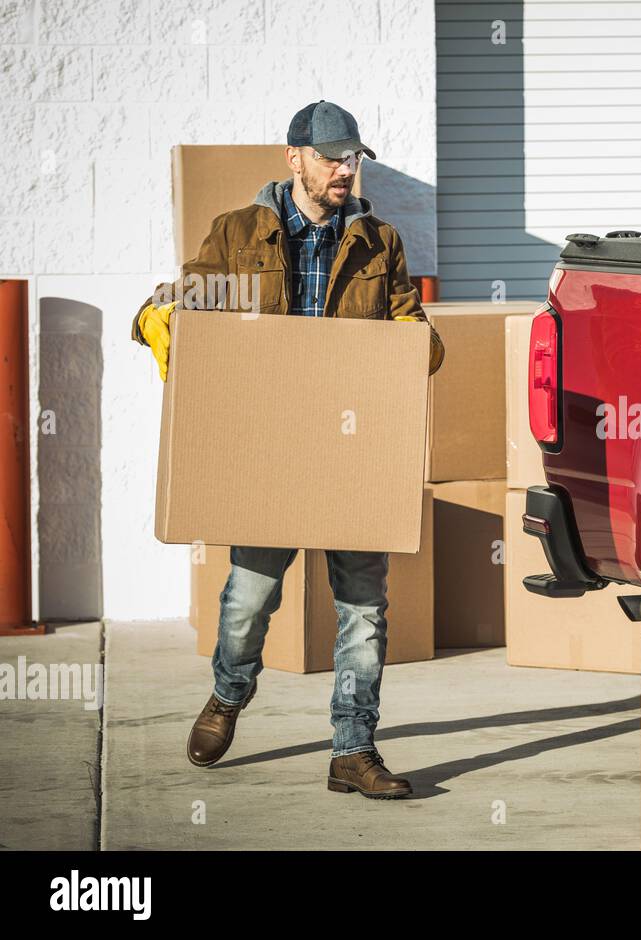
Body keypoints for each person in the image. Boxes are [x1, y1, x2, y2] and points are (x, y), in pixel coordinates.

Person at [132, 100, 444, 799]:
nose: (344, 168)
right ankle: (228, 694)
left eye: (352, 156)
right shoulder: (238, 234)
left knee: (363, 611)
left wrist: (412, 341)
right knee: (249, 599)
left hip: (353, 449)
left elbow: (416, 338)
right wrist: (157, 318)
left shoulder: (379, 241)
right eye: (331, 156)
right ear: (293, 158)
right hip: (272, 451)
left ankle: (353, 751)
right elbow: (181, 299)